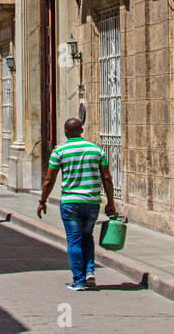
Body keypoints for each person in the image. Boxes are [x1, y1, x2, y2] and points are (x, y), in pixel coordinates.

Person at [38, 118, 116, 290]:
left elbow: (49, 179)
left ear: (65, 132)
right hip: (92, 202)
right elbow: (107, 178)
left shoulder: (59, 151)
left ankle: (79, 280)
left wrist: (42, 201)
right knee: (87, 236)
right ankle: (90, 272)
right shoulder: (97, 150)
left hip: (70, 202)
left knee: (74, 239)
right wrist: (111, 202)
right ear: (82, 130)